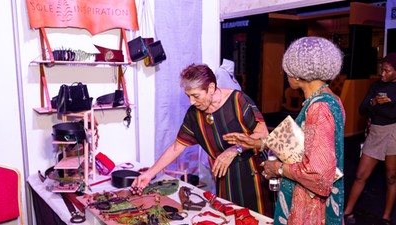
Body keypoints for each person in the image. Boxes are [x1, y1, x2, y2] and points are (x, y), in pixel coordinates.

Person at [224, 36, 345, 225]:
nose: (286, 74)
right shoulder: (329, 99)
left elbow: (319, 176)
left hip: (309, 204)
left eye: (288, 70)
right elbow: (304, 143)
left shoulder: (320, 108)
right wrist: (260, 143)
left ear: (297, 74)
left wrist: (278, 168)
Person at [131, 63, 274, 217]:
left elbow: (263, 133)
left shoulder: (238, 101)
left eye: (196, 96)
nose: (191, 102)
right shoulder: (194, 114)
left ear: (211, 88)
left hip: (254, 174)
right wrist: (149, 174)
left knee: (258, 217)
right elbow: (176, 147)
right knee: (230, 218)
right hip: (224, 177)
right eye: (188, 96)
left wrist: (235, 149)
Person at [344, 53, 396, 225]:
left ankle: (386, 217)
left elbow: (393, 115)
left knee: (391, 177)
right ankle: (347, 212)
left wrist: (386, 106)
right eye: (382, 70)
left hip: (394, 133)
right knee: (360, 175)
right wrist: (374, 103)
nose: (383, 74)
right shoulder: (376, 86)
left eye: (387, 71)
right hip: (375, 133)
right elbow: (362, 109)